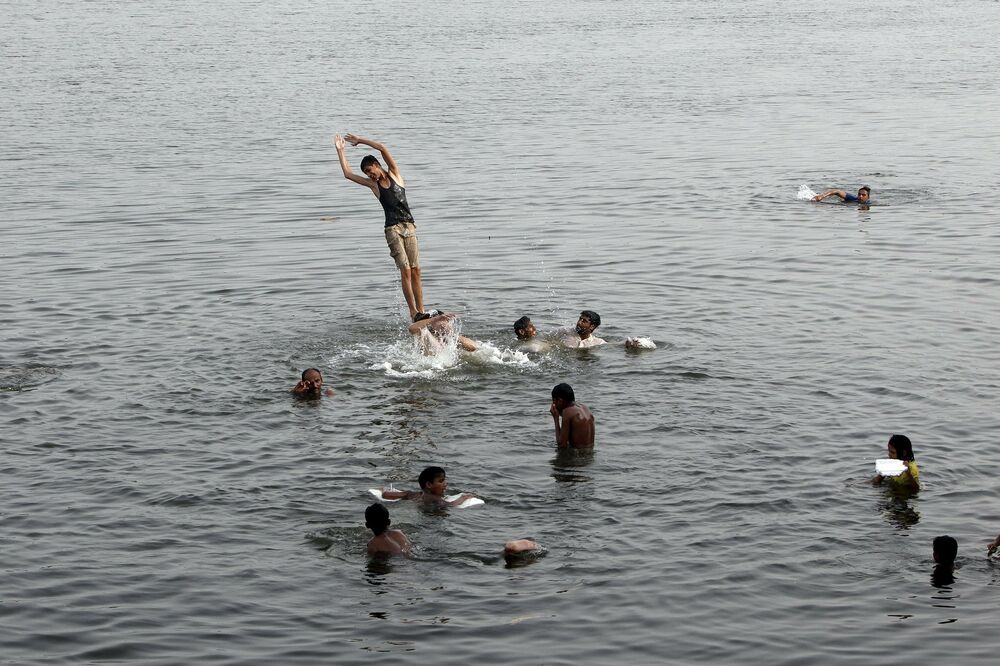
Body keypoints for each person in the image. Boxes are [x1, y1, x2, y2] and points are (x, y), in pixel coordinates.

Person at [333, 133, 425, 321]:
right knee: (405, 270)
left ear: (377, 165)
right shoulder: (373, 186)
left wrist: (360, 140)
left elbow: (382, 147)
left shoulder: (395, 175)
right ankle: (413, 312)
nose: (369, 174)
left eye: (369, 170)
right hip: (393, 230)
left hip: (409, 227)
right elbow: (348, 174)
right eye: (366, 173)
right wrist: (340, 151)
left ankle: (422, 310)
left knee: (416, 270)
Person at [381, 466, 479, 507]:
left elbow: (385, 494)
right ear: (429, 484)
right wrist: (464, 497)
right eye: (441, 481)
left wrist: (385, 490)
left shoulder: (410, 494)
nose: (445, 483)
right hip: (429, 515)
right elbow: (451, 505)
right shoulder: (435, 499)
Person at [550, 383, 595, 449]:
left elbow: (561, 445)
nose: (553, 404)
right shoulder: (585, 408)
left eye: (554, 401)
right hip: (589, 457)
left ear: (560, 401)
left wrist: (555, 418)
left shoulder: (567, 412)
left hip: (577, 457)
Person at [408, 311, 478, 354]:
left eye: (446, 320)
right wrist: (434, 319)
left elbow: (473, 347)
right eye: (441, 319)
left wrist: (451, 335)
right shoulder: (425, 334)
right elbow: (412, 328)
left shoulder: (451, 339)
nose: (444, 323)